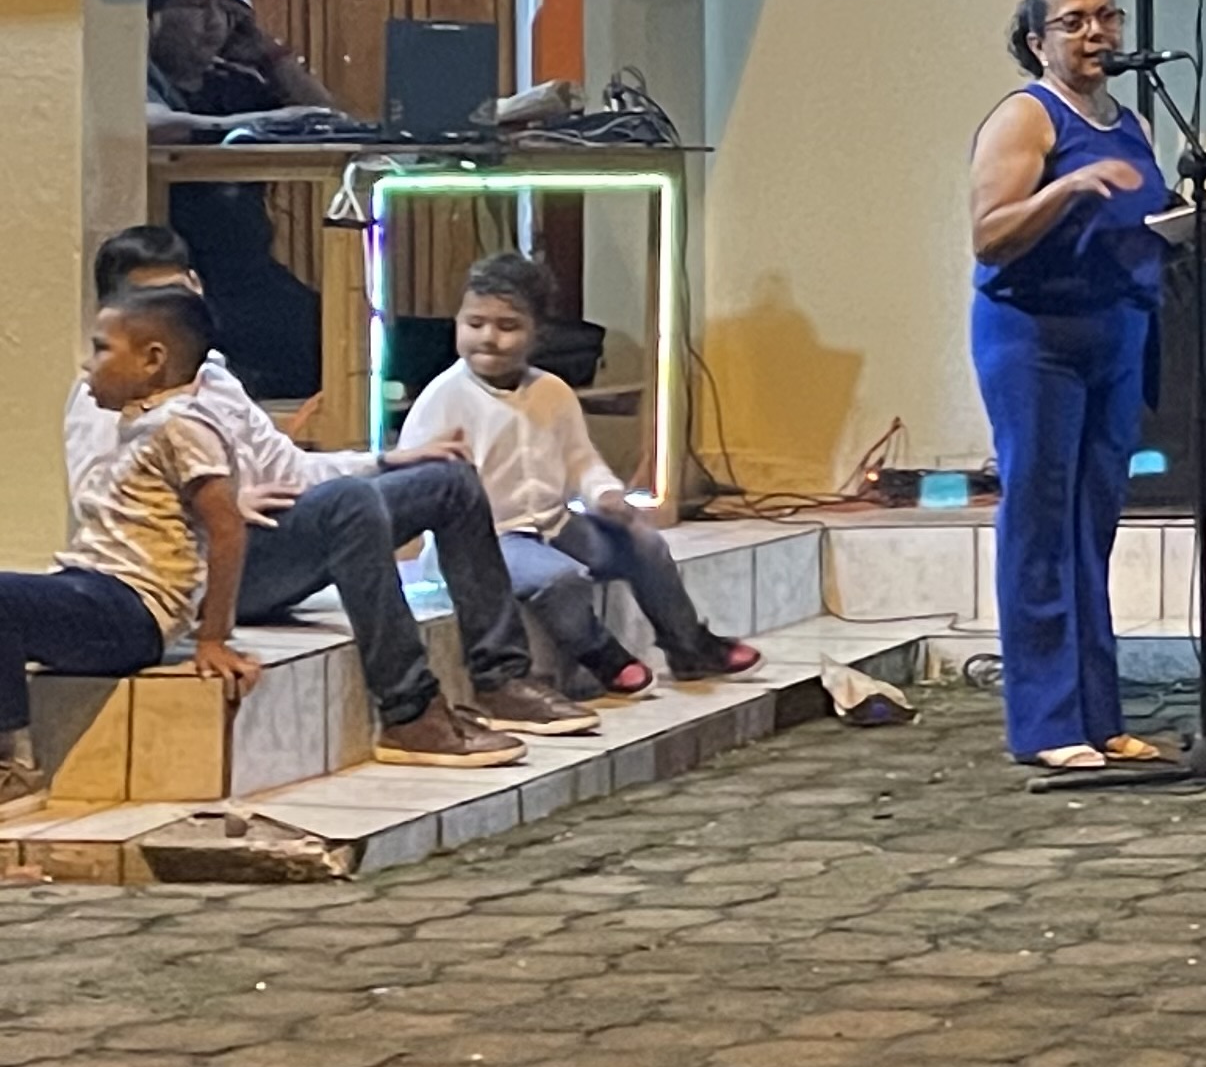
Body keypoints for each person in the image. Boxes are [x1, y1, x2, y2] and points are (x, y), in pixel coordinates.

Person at [74, 228, 594, 762]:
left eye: (178, 291)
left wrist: (386, 461)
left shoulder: (216, 381)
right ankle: (410, 710)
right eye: (149, 299)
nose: (170, 308)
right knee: (349, 504)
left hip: (270, 536)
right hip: (213, 567)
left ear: (196, 285)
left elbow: (291, 468)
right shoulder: (102, 392)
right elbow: (97, 501)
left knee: (448, 481)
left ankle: (501, 679)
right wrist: (214, 505)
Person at [966, 0, 1171, 771]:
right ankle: (1047, 724)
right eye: (1075, 21)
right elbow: (991, 234)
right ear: (1036, 41)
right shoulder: (1027, 116)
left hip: (1114, 335)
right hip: (1036, 341)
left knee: (1092, 528)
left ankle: (1099, 716)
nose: (1097, 33)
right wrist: (1070, 187)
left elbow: (1132, 224)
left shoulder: (1131, 121)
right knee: (1041, 525)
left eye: (1107, 17)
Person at [404, 252, 754, 703]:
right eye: (475, 323)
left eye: (508, 326)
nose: (488, 337)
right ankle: (602, 656)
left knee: (644, 545)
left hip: (553, 524)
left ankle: (689, 646)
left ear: (537, 334)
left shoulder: (553, 392)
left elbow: (580, 459)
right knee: (560, 578)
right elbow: (416, 480)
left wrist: (605, 494)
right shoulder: (443, 399)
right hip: (485, 543)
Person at [0, 287, 255, 815]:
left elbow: (227, 528)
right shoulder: (142, 423)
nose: (87, 363)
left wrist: (213, 635)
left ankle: (13, 768)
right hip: (95, 589)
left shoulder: (183, 425)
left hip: (132, 610)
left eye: (101, 348)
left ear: (152, 361)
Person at [142, 0, 338, 399]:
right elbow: (151, 125)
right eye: (197, 6)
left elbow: (328, 118)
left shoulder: (234, 81)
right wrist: (256, 125)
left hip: (252, 275)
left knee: (359, 335)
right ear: (153, 15)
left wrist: (267, 51)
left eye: (224, 9)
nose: (214, 23)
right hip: (189, 282)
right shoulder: (136, 75)